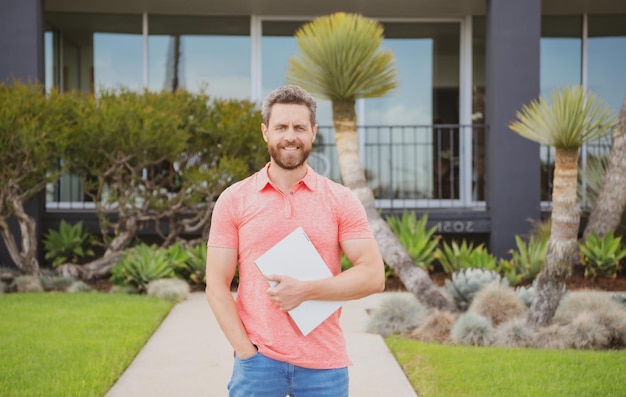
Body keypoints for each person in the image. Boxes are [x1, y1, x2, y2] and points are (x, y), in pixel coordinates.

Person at [205, 84, 385, 397]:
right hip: (258, 363)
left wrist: (305, 291)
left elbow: (373, 275)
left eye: (300, 127)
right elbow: (216, 284)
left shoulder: (340, 199)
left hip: (324, 364)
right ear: (265, 132)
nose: (291, 136)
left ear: (313, 132)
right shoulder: (234, 199)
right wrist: (246, 352)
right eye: (281, 127)